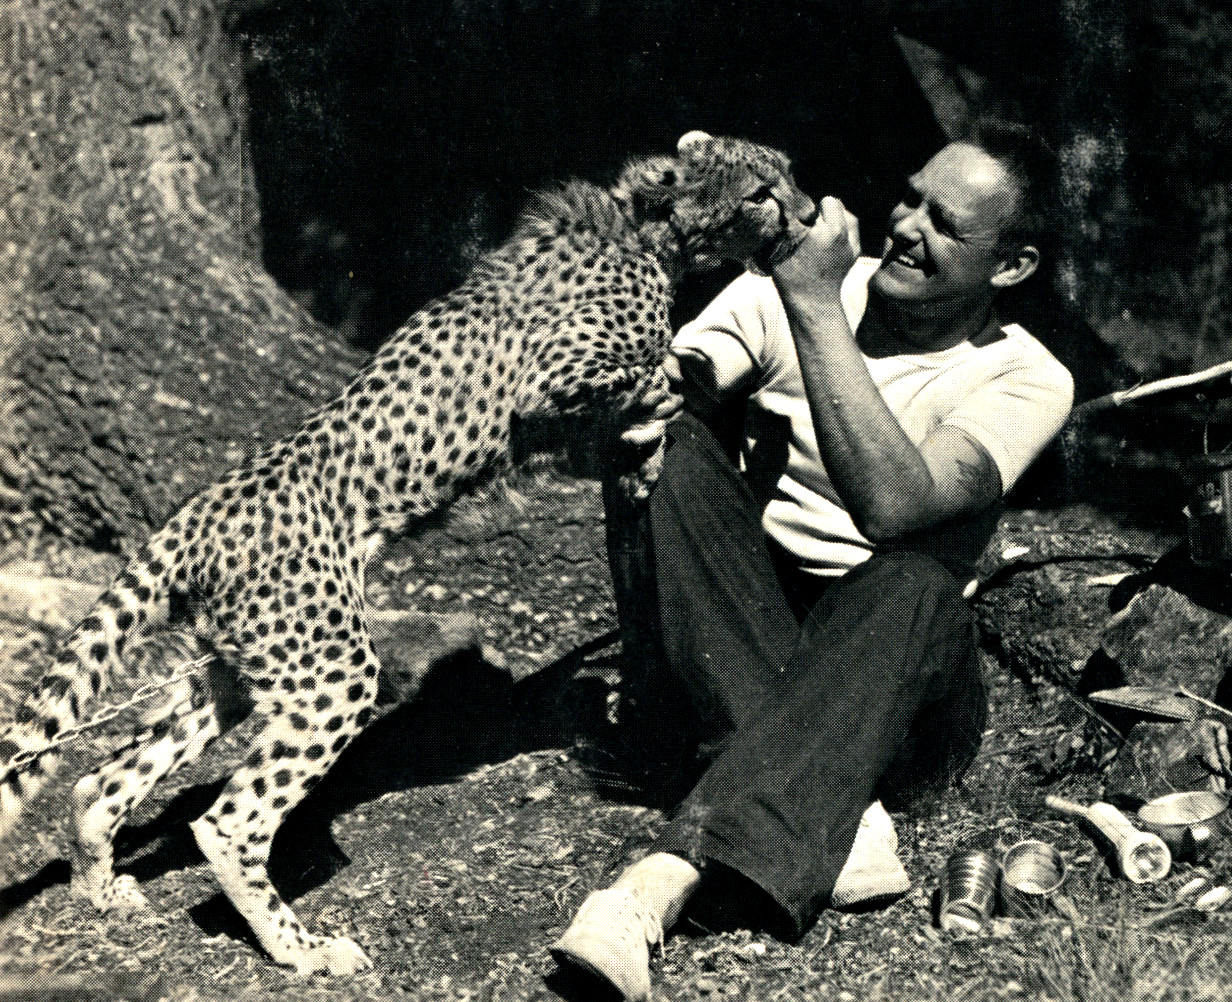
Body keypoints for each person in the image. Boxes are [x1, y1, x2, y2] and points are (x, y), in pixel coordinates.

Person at [550, 119, 1075, 1002]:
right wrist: (634, 397)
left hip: (895, 664)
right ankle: (832, 799)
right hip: (749, 625)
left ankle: (659, 883)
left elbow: (898, 508)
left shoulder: (1025, 376)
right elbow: (663, 391)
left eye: (947, 225)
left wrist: (816, 306)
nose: (906, 225)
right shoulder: (784, 291)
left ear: (1012, 267)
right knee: (666, 446)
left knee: (915, 580)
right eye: (911, 197)